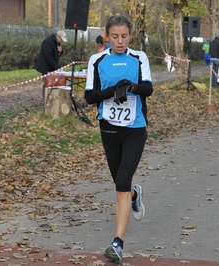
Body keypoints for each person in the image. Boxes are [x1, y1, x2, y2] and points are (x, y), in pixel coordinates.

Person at [84, 15, 153, 264]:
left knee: (121, 181)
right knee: (122, 187)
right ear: (106, 37)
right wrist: (114, 91)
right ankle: (135, 195)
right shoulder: (98, 60)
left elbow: (148, 89)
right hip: (110, 129)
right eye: (115, 36)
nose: (120, 41)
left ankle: (117, 244)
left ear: (129, 35)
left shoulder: (139, 58)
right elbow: (90, 96)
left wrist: (131, 87)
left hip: (135, 128)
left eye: (124, 36)